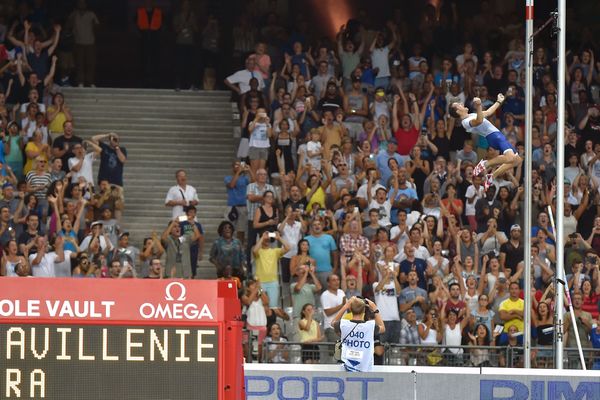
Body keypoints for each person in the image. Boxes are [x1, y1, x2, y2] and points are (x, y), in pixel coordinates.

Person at [449, 92, 522, 191]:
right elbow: (479, 121)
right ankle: (485, 164)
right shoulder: (465, 122)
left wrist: (499, 101)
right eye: (458, 105)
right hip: (493, 137)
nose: (461, 103)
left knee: (517, 160)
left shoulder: (472, 114)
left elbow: (487, 112)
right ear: (457, 111)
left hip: (498, 135)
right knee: (509, 157)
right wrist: (478, 105)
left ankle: (492, 176)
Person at [332, 296, 385, 372]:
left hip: (347, 366)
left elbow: (332, 323)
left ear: (350, 309)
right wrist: (375, 309)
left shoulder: (344, 324)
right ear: (364, 311)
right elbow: (382, 328)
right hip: (365, 366)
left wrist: (345, 306)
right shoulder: (369, 326)